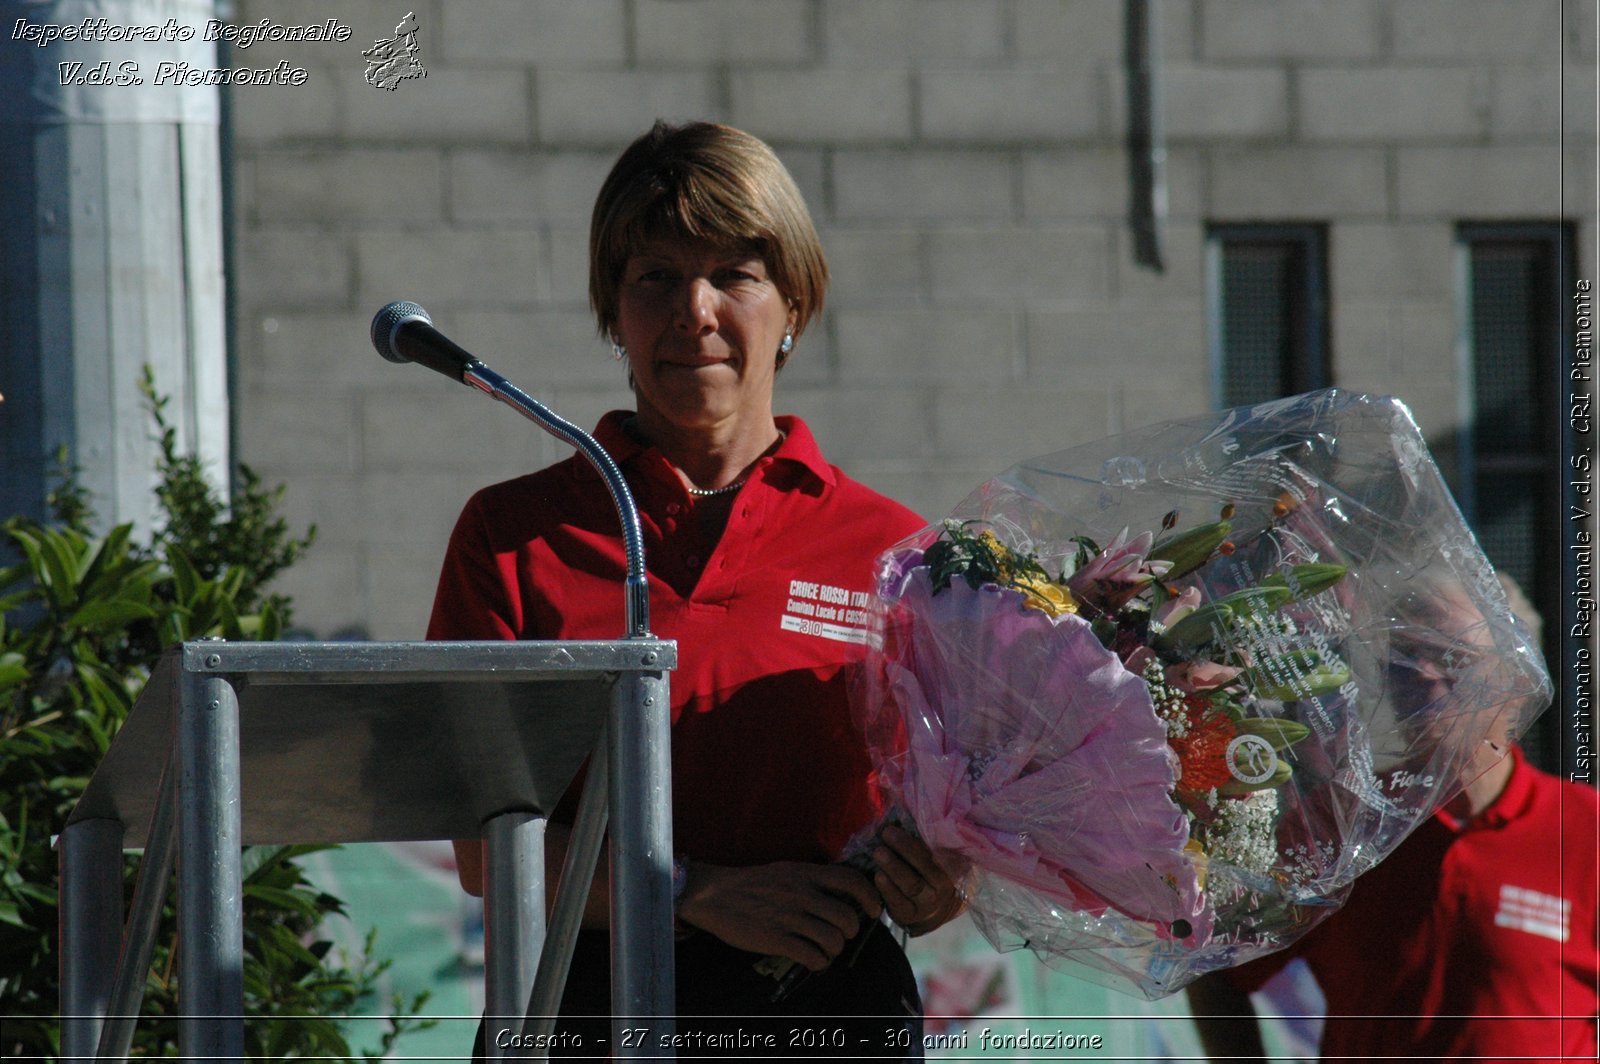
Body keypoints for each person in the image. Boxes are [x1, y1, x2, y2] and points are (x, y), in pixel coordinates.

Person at [426, 120, 963, 1057]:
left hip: (831, 1015)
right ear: (613, 309)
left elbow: (952, 817)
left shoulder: (895, 552)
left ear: (794, 300)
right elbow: (483, 853)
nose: (694, 311)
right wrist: (699, 893)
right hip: (584, 1013)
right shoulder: (512, 537)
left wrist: (945, 880)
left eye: (735, 275)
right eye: (656, 278)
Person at [1187, 574, 1598, 1063]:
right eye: (1402, 659)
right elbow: (1218, 969)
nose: (1423, 673)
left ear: (1516, 680)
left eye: (1451, 657)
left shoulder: (1585, 831)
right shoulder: (1343, 820)